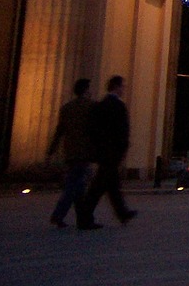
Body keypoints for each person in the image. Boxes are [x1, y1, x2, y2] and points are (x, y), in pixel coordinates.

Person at [79, 75, 137, 229]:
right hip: (113, 153)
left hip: (103, 152)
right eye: (122, 86)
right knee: (98, 187)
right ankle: (84, 217)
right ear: (116, 87)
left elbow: (92, 129)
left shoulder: (100, 105)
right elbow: (122, 131)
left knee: (111, 184)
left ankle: (122, 213)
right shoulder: (118, 106)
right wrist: (122, 150)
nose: (124, 89)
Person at [45, 78, 93, 228]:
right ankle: (58, 214)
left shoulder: (66, 108)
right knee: (75, 185)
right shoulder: (90, 107)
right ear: (86, 90)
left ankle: (82, 219)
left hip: (70, 152)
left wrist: (51, 150)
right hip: (84, 152)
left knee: (78, 186)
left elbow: (60, 131)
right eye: (89, 89)